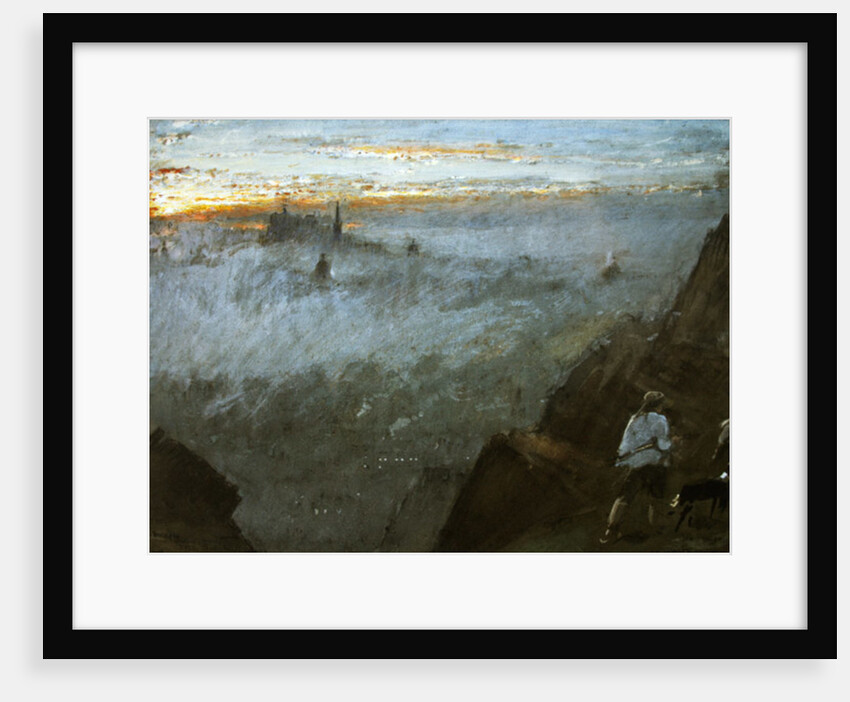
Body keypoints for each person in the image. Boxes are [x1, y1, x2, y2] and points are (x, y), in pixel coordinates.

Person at [600, 390, 673, 544]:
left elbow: (626, 445)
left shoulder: (634, 419)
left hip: (636, 464)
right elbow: (662, 444)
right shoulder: (660, 420)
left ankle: (611, 531)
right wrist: (672, 443)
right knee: (656, 497)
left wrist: (626, 459)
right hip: (654, 464)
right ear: (659, 405)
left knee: (624, 497)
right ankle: (657, 531)